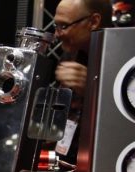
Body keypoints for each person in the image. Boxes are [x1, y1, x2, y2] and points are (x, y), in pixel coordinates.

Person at [53, 0, 112, 163]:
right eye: (56, 25)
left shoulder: (126, 60)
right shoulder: (70, 54)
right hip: (68, 160)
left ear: (93, 21)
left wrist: (94, 90)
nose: (57, 34)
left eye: (64, 26)